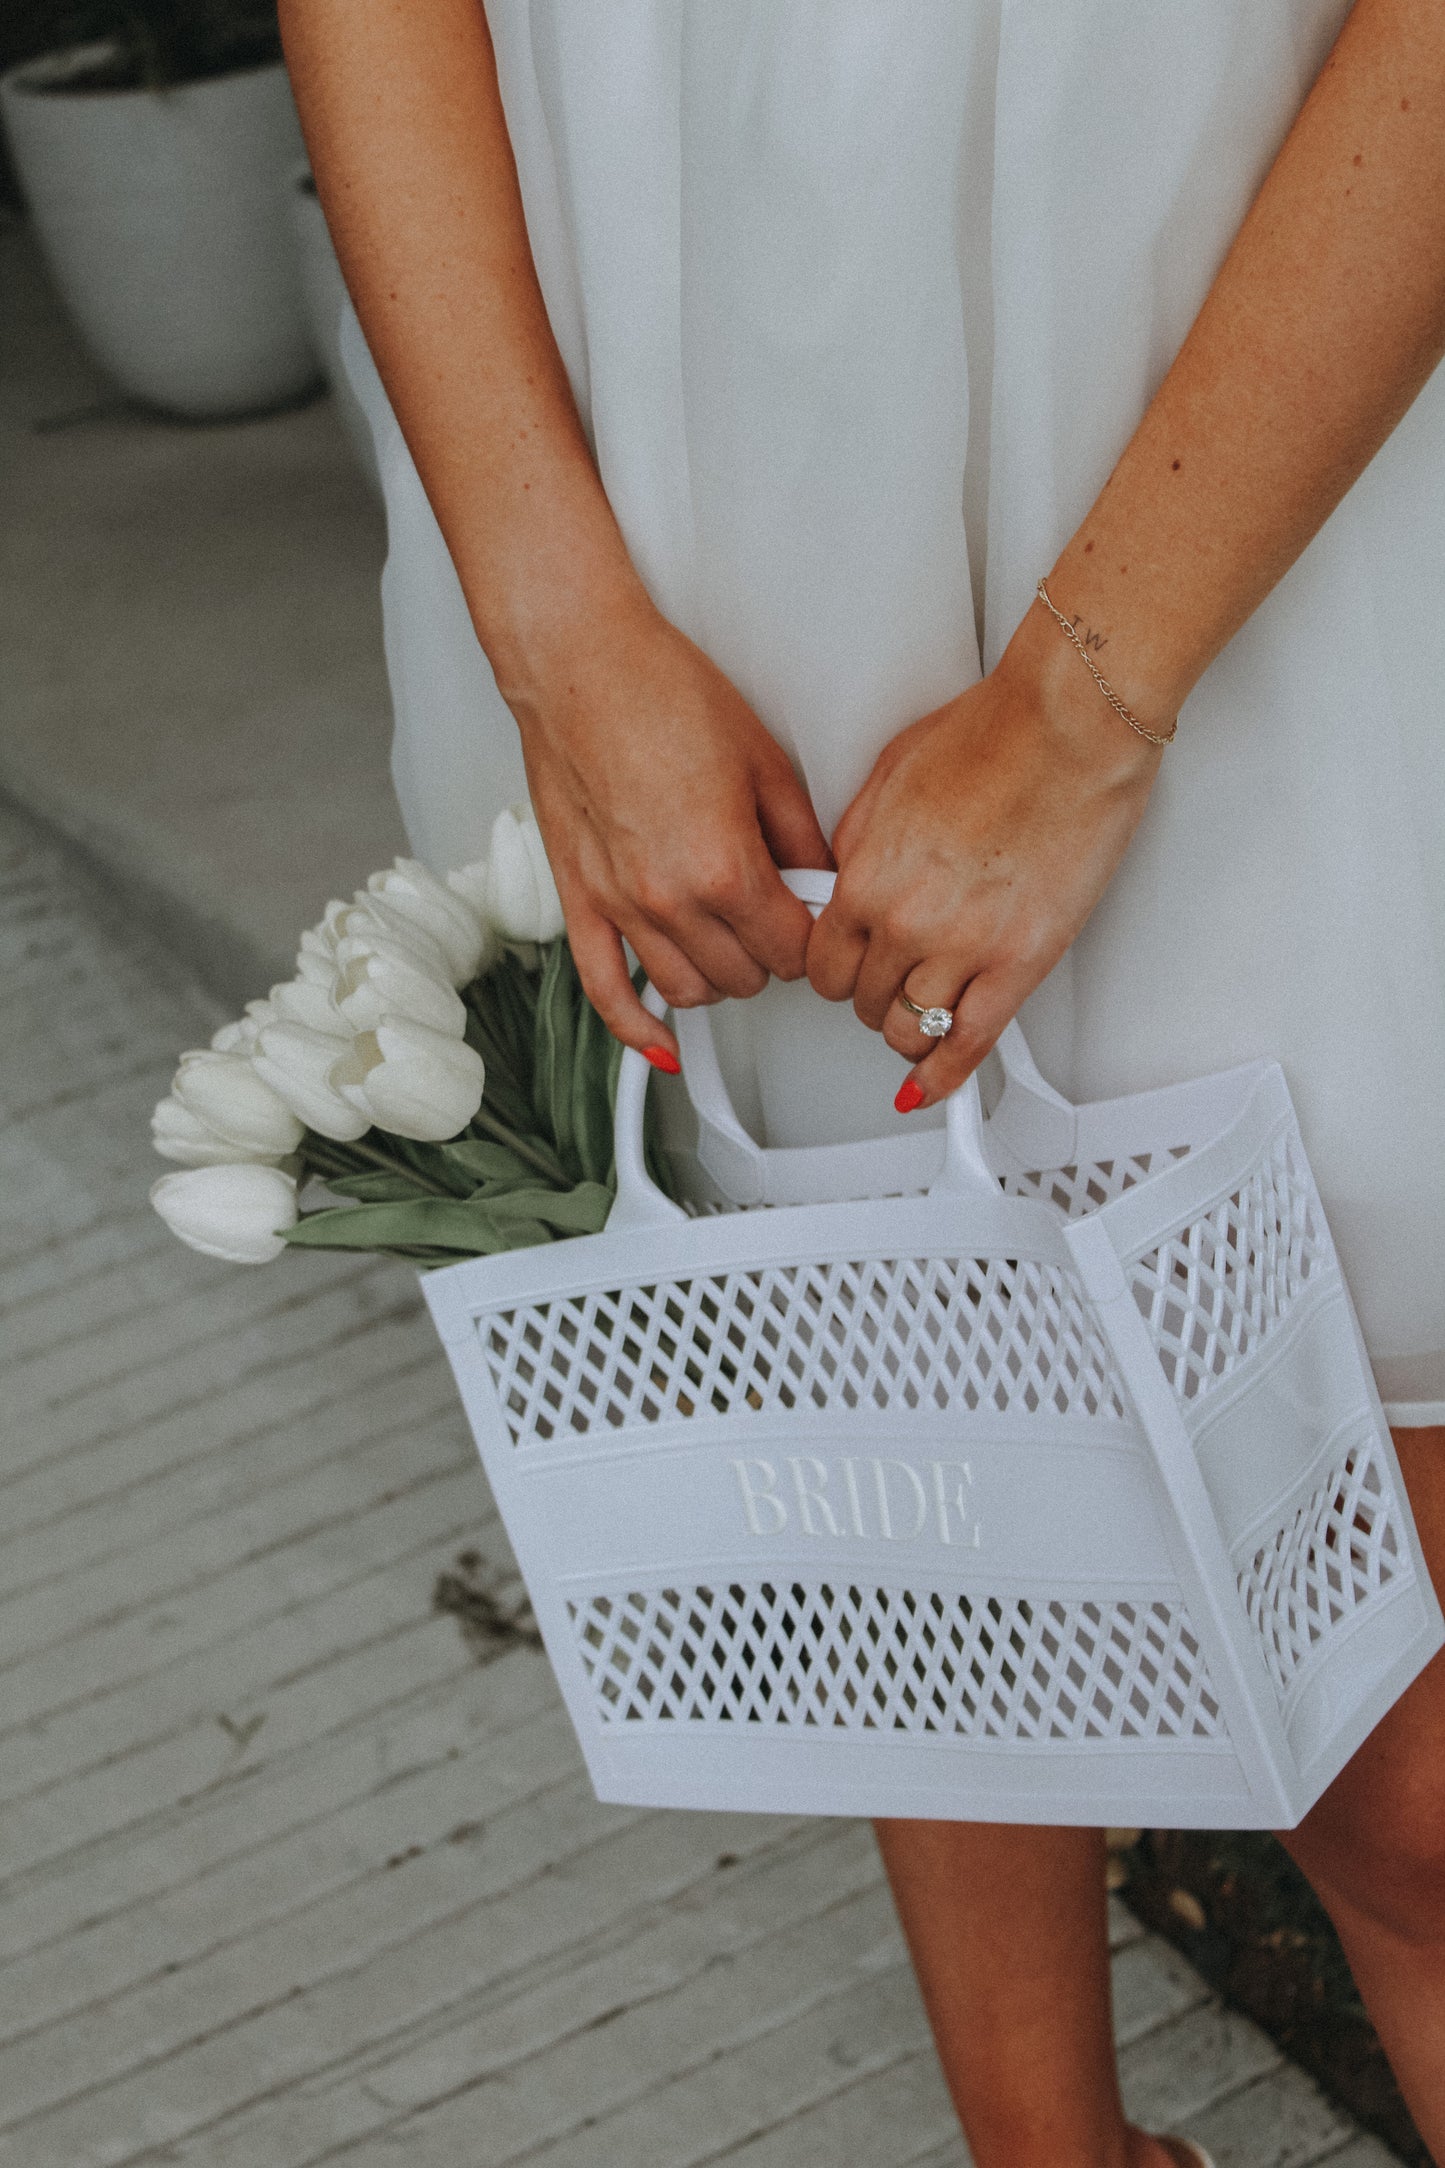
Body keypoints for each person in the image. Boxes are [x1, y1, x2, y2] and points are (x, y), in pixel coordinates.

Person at [280, 4, 1445, 2161]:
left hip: (1259, 366)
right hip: (676, 420)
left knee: (1408, 1767)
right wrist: (553, 624)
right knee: (886, 1417)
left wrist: (1096, 690)